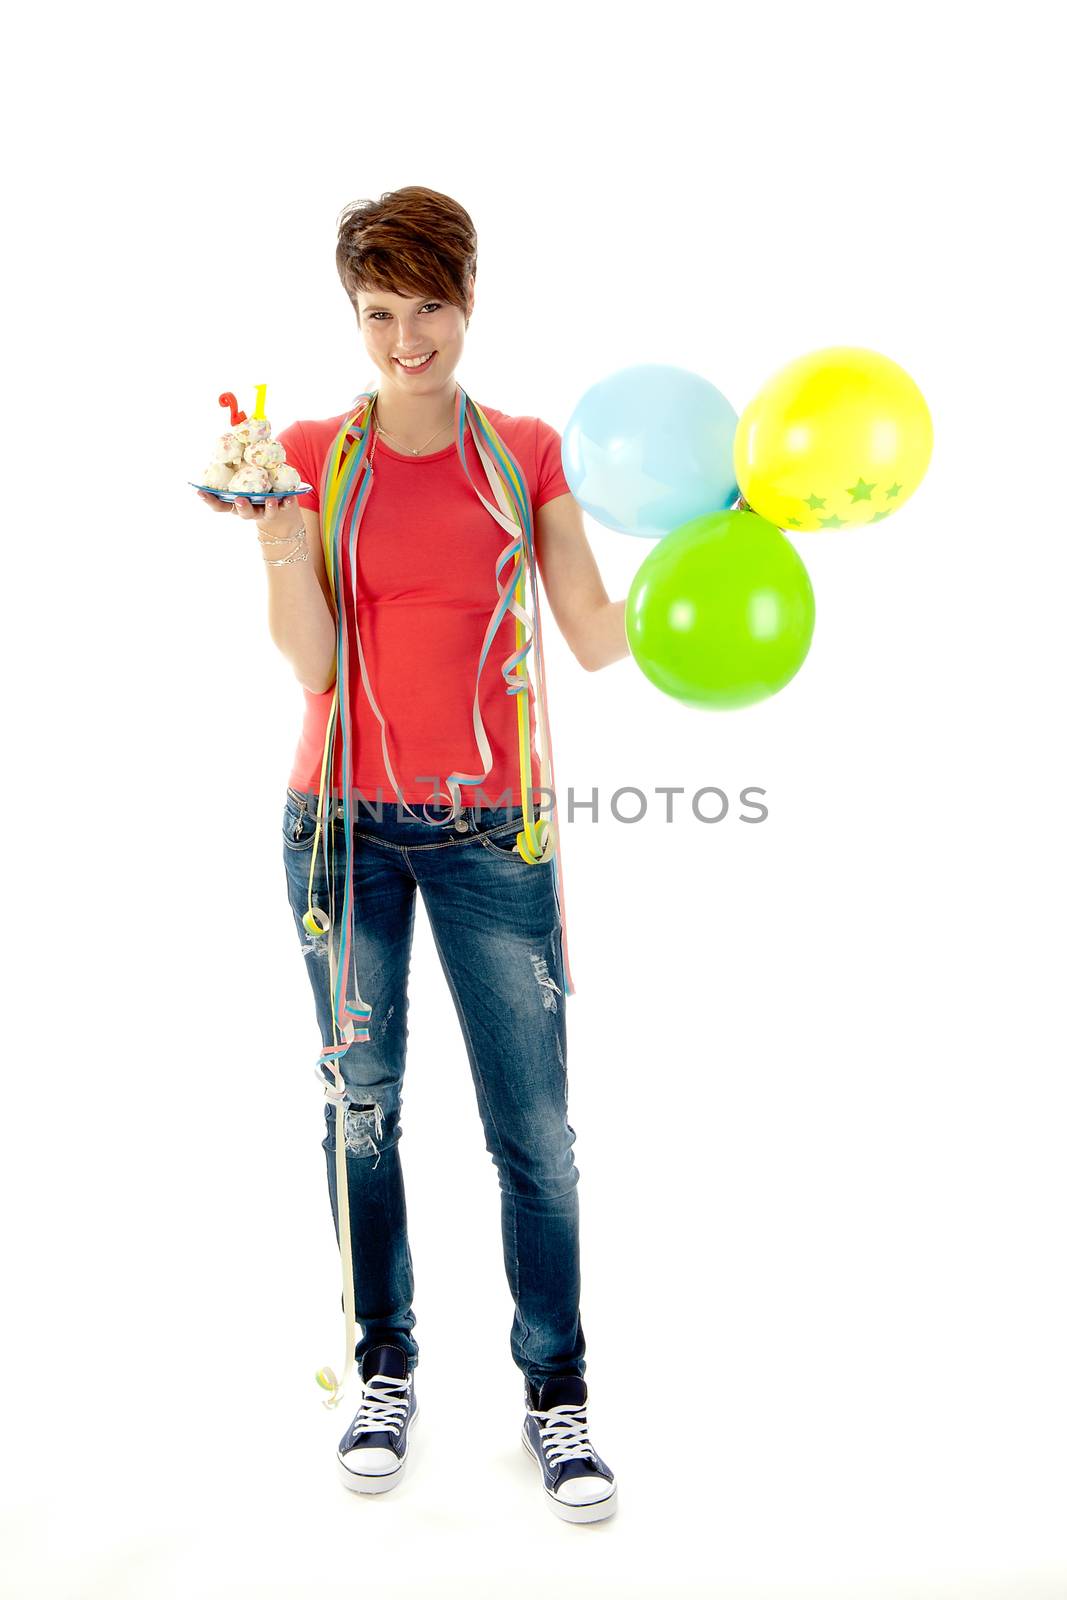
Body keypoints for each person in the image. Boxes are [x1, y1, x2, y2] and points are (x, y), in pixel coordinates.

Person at [198, 186, 629, 1524]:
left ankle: (556, 1397)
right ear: (357, 317)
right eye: (379, 313)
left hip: (494, 834)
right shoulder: (317, 457)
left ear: (469, 302)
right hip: (341, 834)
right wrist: (278, 545)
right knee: (362, 1114)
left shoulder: (529, 453)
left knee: (536, 1138)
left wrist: (727, 530)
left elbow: (598, 637)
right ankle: (386, 1364)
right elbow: (317, 665)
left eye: (428, 307)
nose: (406, 339)